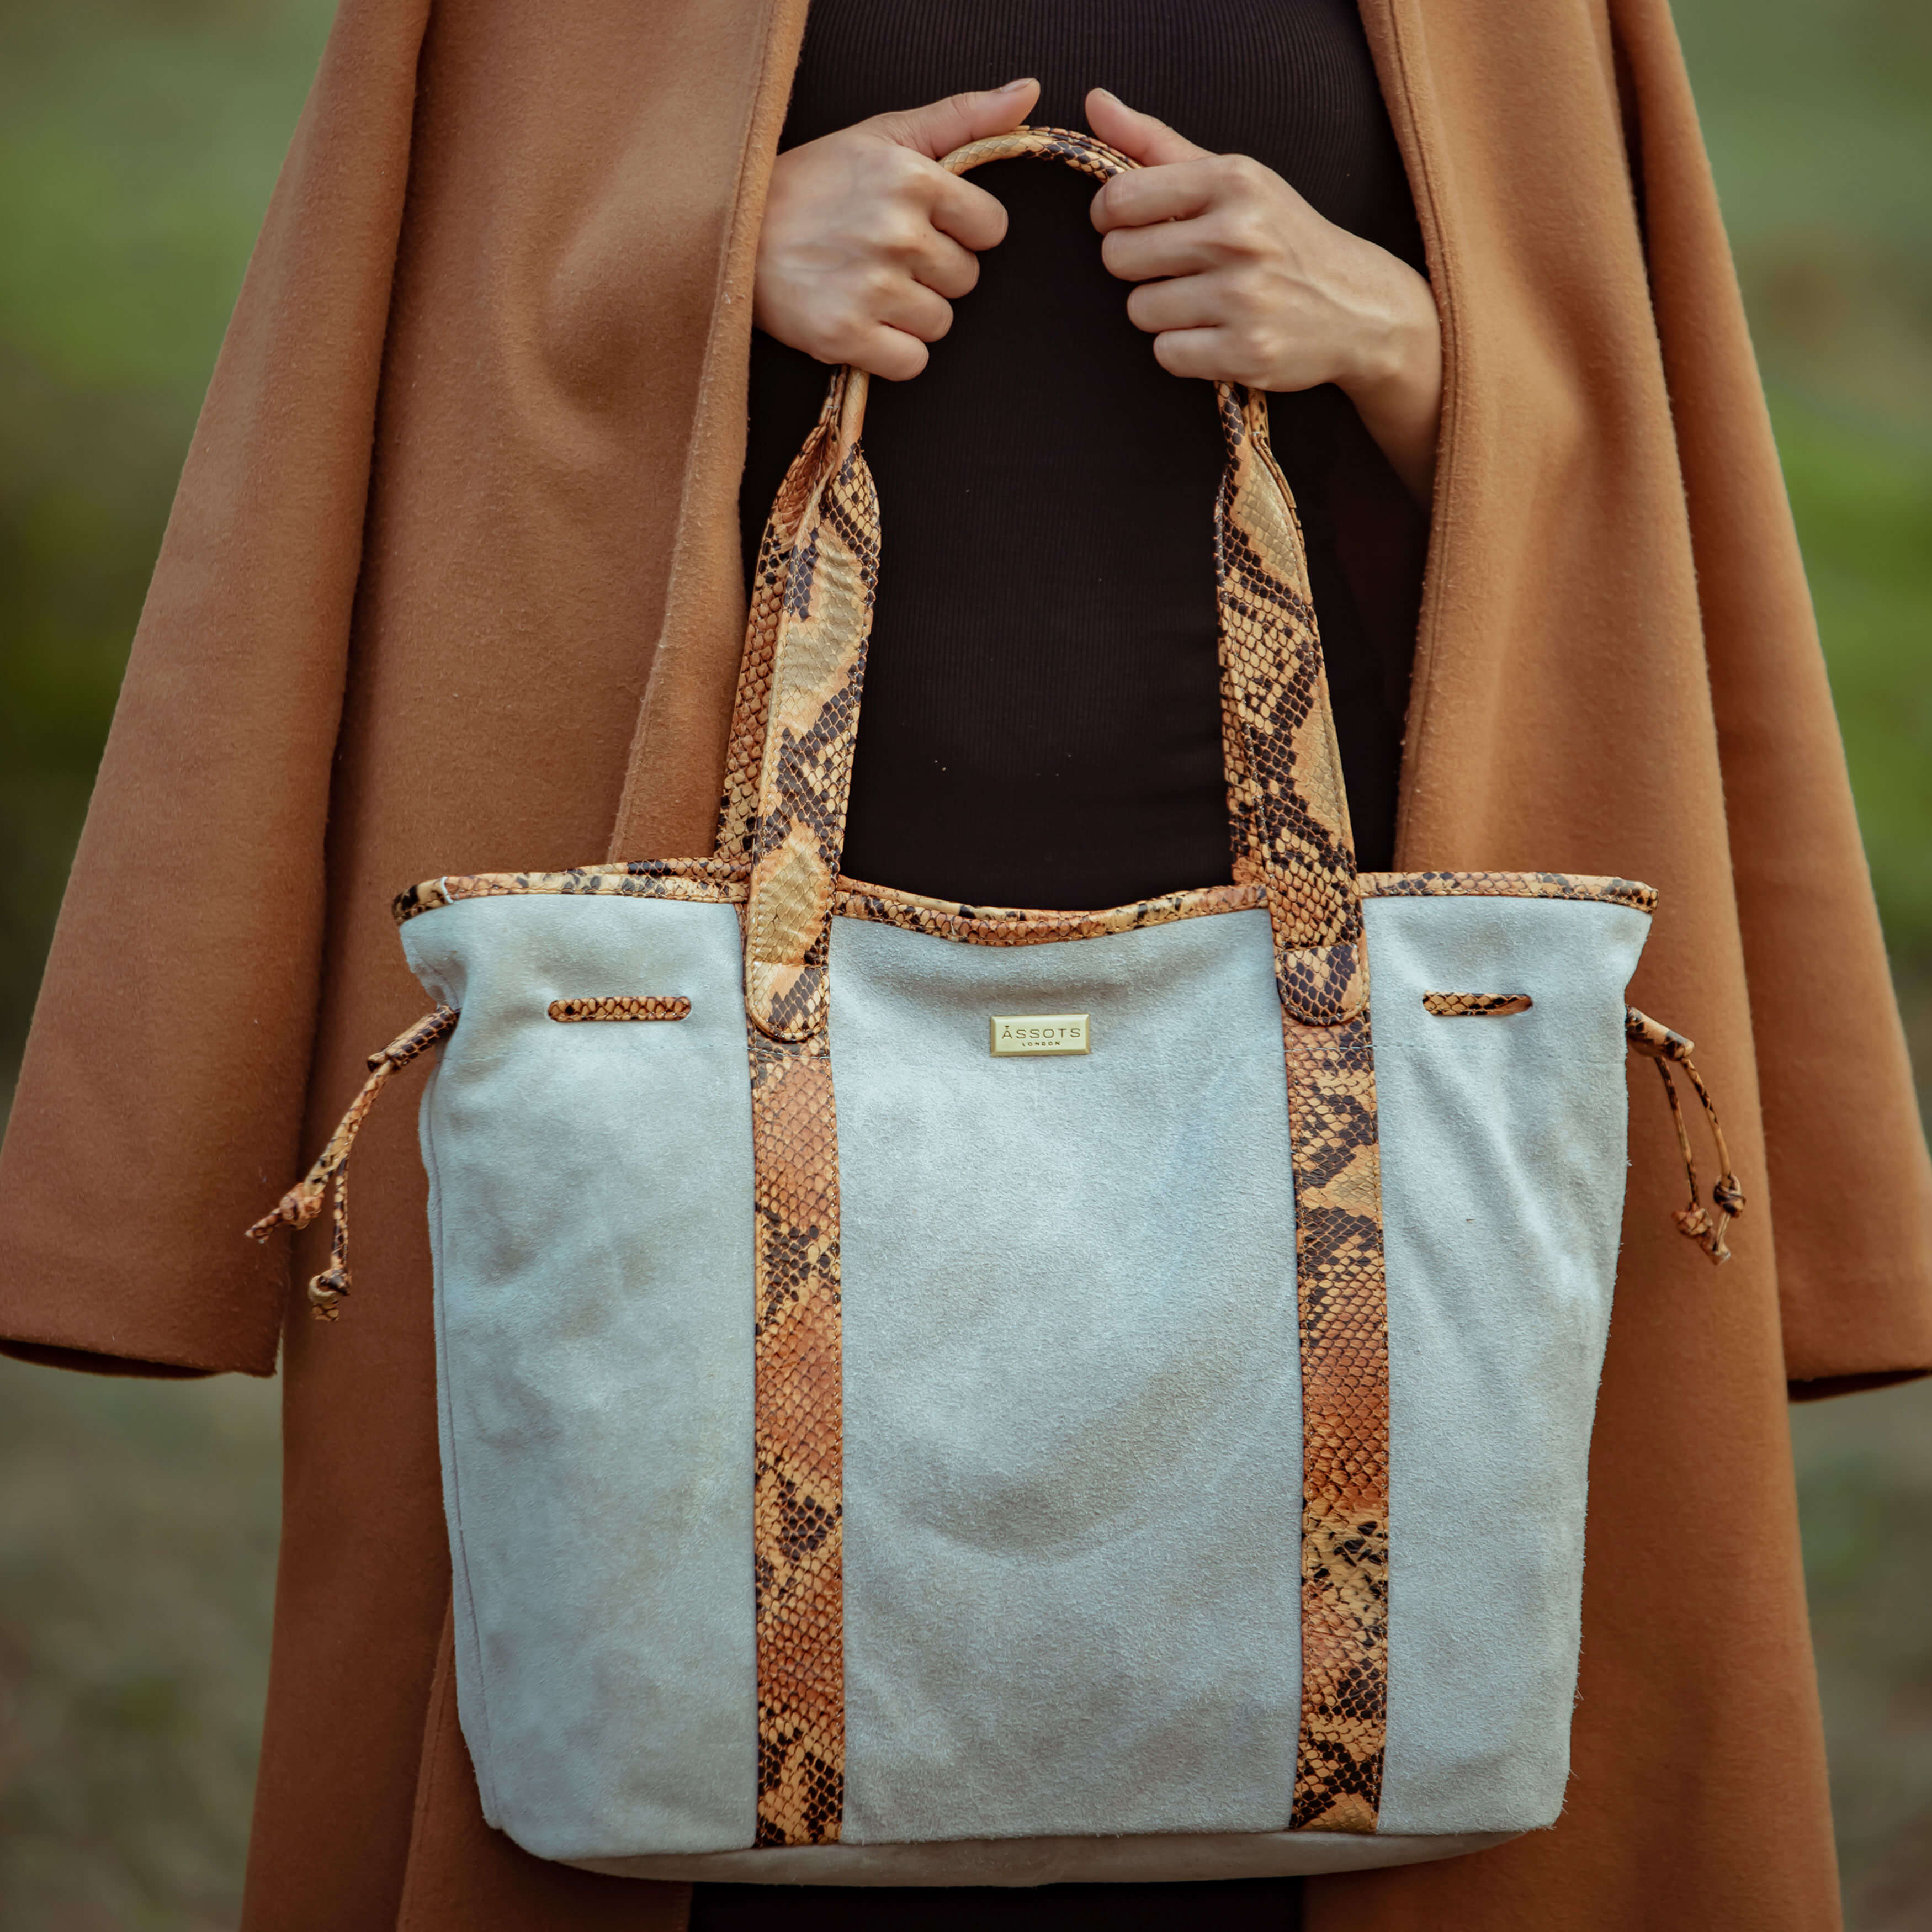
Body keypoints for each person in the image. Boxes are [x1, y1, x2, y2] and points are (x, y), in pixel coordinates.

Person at [1, 4, 1926, 1930]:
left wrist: (1404, 337)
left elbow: (1627, 429)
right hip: (679, 969)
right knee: (662, 1710)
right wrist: (706, 258)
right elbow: (375, 381)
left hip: (1339, 963)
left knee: (1343, 1738)